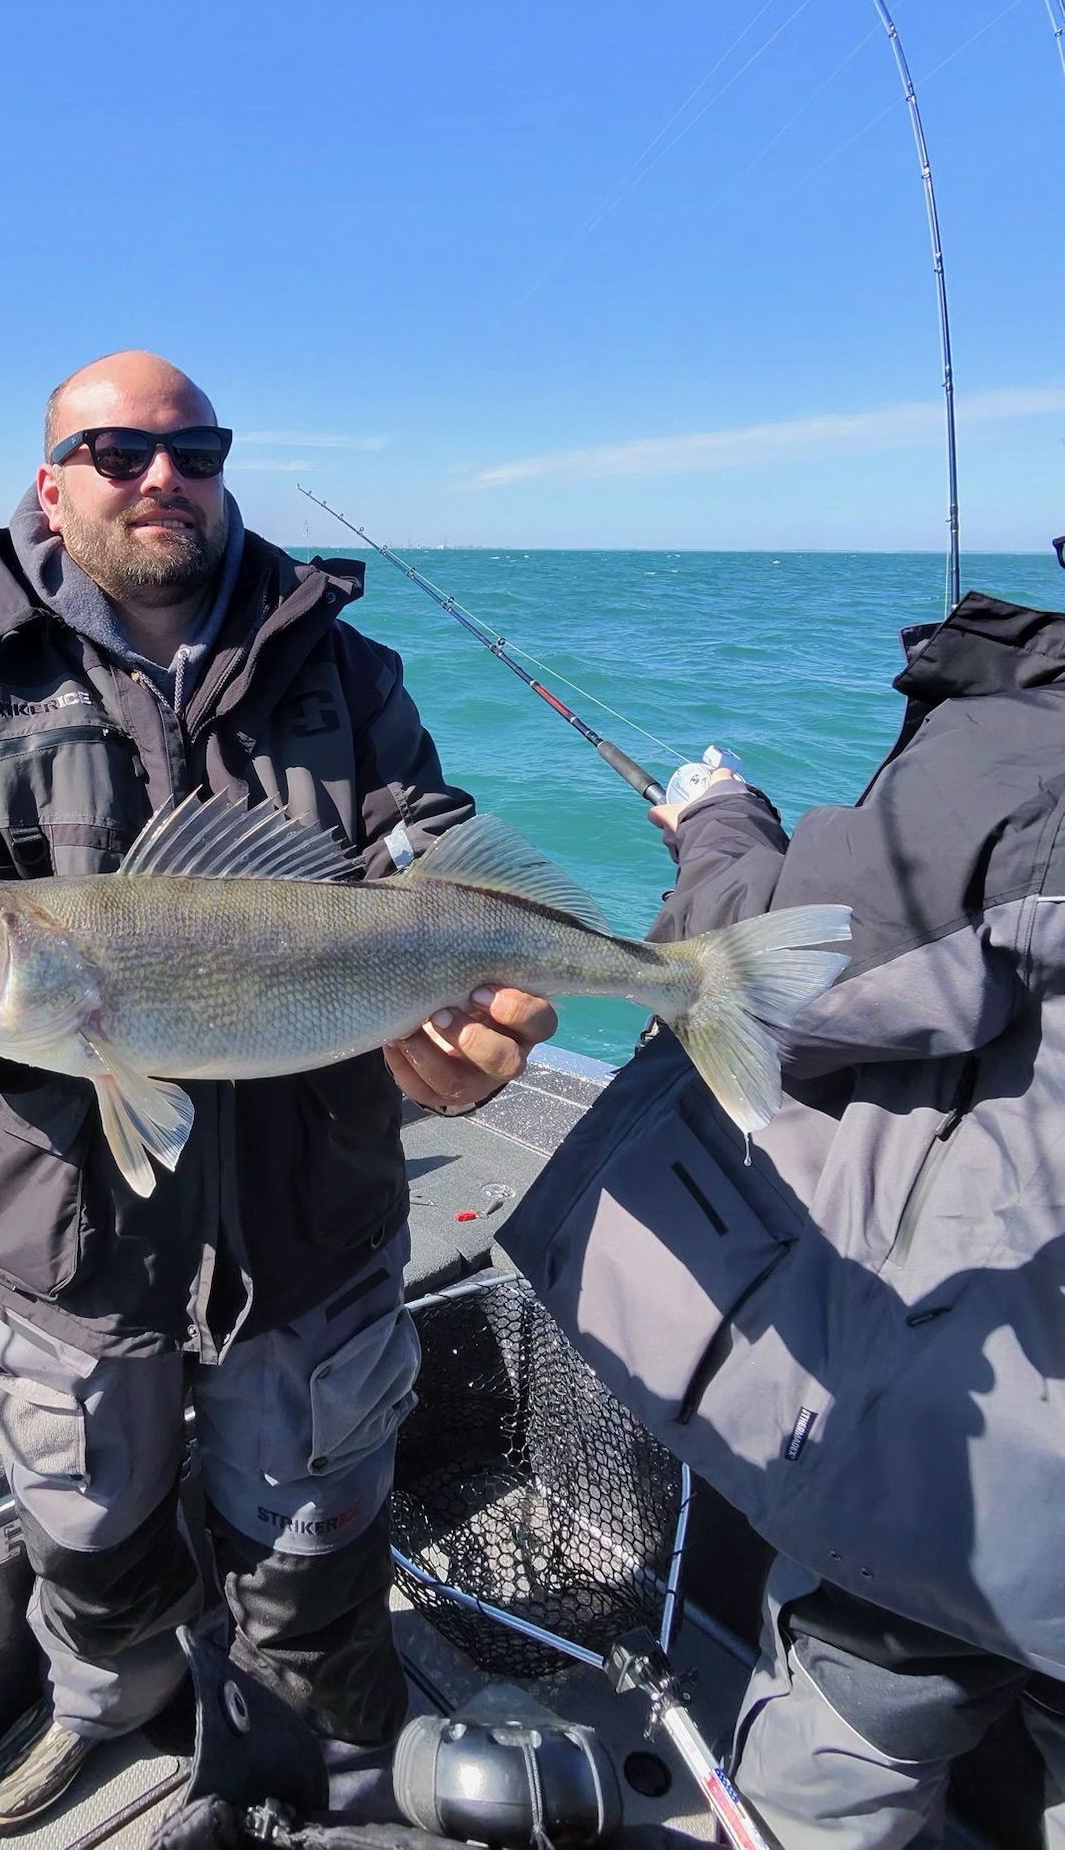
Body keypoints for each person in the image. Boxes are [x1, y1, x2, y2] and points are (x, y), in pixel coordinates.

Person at [0, 350, 556, 1837]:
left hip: (317, 1236)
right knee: (86, 1542)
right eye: (114, 451)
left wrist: (498, 1012)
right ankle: (107, 1721)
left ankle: (322, 1764)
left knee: (311, 1548)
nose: (160, 475)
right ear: (52, 485)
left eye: (195, 448)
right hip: (69, 1254)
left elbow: (427, 842)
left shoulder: (347, 670)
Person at [500, 589, 1065, 1849]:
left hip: (998, 1469)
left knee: (842, 1749)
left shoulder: (1021, 744)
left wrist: (715, 824)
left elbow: (779, 973)